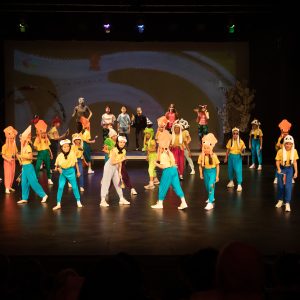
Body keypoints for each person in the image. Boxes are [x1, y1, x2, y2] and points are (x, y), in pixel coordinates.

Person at [151, 130, 188, 210]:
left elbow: (163, 166)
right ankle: (183, 202)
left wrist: (155, 163)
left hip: (168, 171)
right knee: (177, 187)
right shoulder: (170, 152)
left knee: (162, 186)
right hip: (174, 171)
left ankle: (160, 203)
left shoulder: (163, 154)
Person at [16, 126, 48, 204]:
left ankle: (44, 195)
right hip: (24, 167)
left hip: (29, 167)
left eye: (21, 138)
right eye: (20, 138)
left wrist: (21, 156)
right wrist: (20, 160)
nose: (20, 140)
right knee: (24, 183)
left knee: (33, 182)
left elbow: (30, 157)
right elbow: (22, 157)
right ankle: (24, 198)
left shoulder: (28, 147)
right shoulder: (23, 148)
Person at [100, 135, 130, 207]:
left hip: (115, 167)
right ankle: (102, 200)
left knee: (118, 183)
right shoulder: (114, 150)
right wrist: (122, 159)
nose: (122, 143)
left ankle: (121, 198)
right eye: (120, 142)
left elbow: (120, 163)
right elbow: (112, 162)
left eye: (123, 142)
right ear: (117, 142)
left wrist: (119, 172)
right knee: (106, 182)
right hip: (109, 167)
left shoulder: (124, 151)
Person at [53, 139, 83, 210]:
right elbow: (56, 166)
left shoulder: (72, 154)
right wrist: (58, 168)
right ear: (62, 148)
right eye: (64, 147)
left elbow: (76, 163)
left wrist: (78, 171)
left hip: (71, 172)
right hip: (63, 173)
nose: (66, 148)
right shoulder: (60, 155)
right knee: (60, 187)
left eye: (67, 146)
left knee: (75, 187)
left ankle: (78, 201)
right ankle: (58, 203)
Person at [275, 135, 298, 212]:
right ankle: (280, 200)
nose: (288, 145)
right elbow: (277, 161)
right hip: (282, 168)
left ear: (292, 144)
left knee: (288, 186)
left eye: (290, 144)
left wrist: (296, 172)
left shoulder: (294, 151)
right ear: (284, 144)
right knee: (281, 186)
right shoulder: (280, 151)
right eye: (287, 143)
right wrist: (278, 169)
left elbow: (294, 162)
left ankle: (287, 202)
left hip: (289, 169)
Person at [198, 133, 220, 210]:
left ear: (210, 148)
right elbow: (200, 165)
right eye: (205, 148)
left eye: (207, 148)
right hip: (206, 172)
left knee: (211, 185)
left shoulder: (214, 156)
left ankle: (210, 203)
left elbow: (217, 165)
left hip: (212, 172)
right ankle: (211, 197)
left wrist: (217, 176)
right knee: (208, 187)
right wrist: (201, 173)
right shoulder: (201, 156)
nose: (206, 149)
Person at [224, 127, 245, 192]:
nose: (235, 135)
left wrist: (242, 151)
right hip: (231, 157)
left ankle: (239, 184)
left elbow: (243, 149)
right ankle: (231, 181)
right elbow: (228, 150)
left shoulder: (241, 141)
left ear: (238, 134)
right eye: (234, 133)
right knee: (230, 169)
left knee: (238, 170)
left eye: (236, 133)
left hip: (238, 157)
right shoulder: (230, 141)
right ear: (232, 134)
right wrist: (226, 157)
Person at [33, 120, 53, 185]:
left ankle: (49, 179)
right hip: (40, 154)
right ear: (39, 133)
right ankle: (36, 178)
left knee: (48, 167)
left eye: (45, 133)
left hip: (46, 153)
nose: (44, 134)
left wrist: (51, 153)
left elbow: (48, 147)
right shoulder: (37, 139)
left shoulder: (46, 139)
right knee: (37, 166)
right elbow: (35, 147)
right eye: (42, 133)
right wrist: (36, 144)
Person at [274, 119, 292, 184]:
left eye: (286, 133)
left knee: (290, 165)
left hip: (288, 155)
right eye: (284, 133)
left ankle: (290, 178)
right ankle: (276, 177)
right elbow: (277, 146)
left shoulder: (289, 138)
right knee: (278, 165)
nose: (285, 134)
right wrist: (280, 139)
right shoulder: (280, 138)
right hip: (281, 155)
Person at [2, 126, 18, 194]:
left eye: (13, 138)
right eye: (11, 138)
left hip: (13, 161)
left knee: (12, 174)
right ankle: (7, 188)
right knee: (8, 174)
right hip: (7, 162)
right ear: (8, 138)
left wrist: (19, 159)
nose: (12, 139)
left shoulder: (14, 145)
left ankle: (10, 186)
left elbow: (16, 153)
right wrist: (8, 159)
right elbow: (3, 155)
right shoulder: (4, 146)